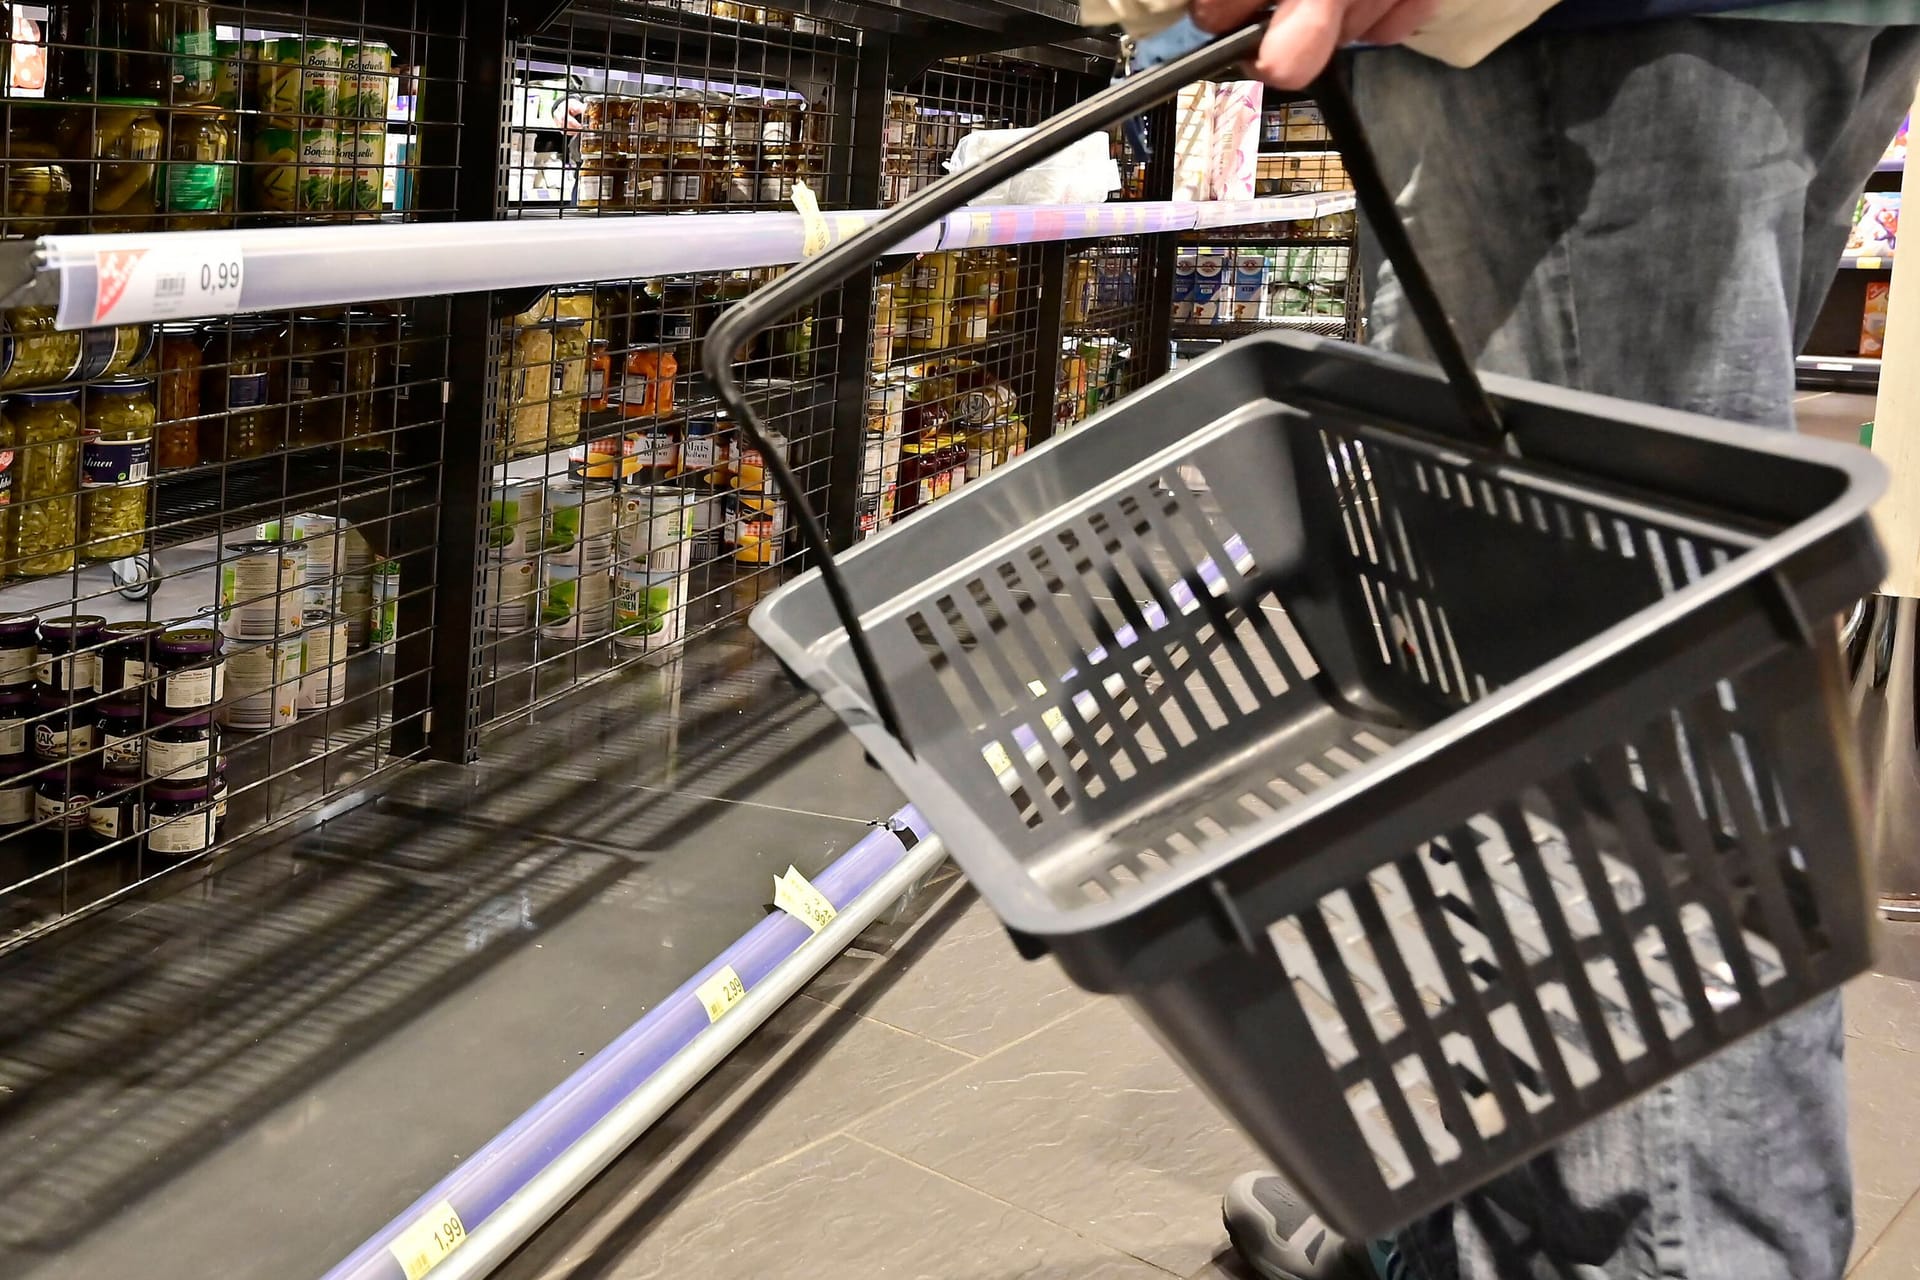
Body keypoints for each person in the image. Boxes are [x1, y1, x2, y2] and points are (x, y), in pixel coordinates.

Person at [1121, 0, 1920, 1276]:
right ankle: (1485, 1227)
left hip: (1569, 51)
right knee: (1570, 692)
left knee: (1615, 756)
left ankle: (1652, 1251)